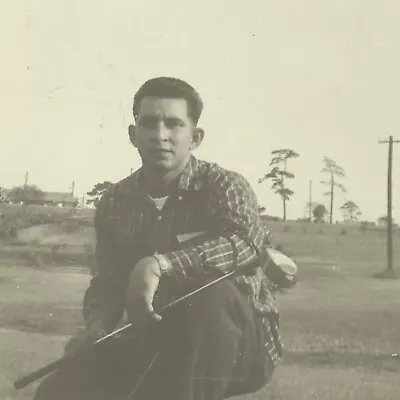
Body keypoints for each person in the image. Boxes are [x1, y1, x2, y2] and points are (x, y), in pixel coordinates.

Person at [33, 77, 282, 400]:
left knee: (212, 298)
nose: (160, 135)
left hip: (241, 347)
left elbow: (246, 243)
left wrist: (160, 264)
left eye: (174, 124)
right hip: (151, 340)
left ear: (195, 137)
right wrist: (97, 328)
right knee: (59, 388)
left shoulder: (225, 186)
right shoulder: (114, 201)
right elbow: (107, 281)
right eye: (149, 123)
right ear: (133, 135)